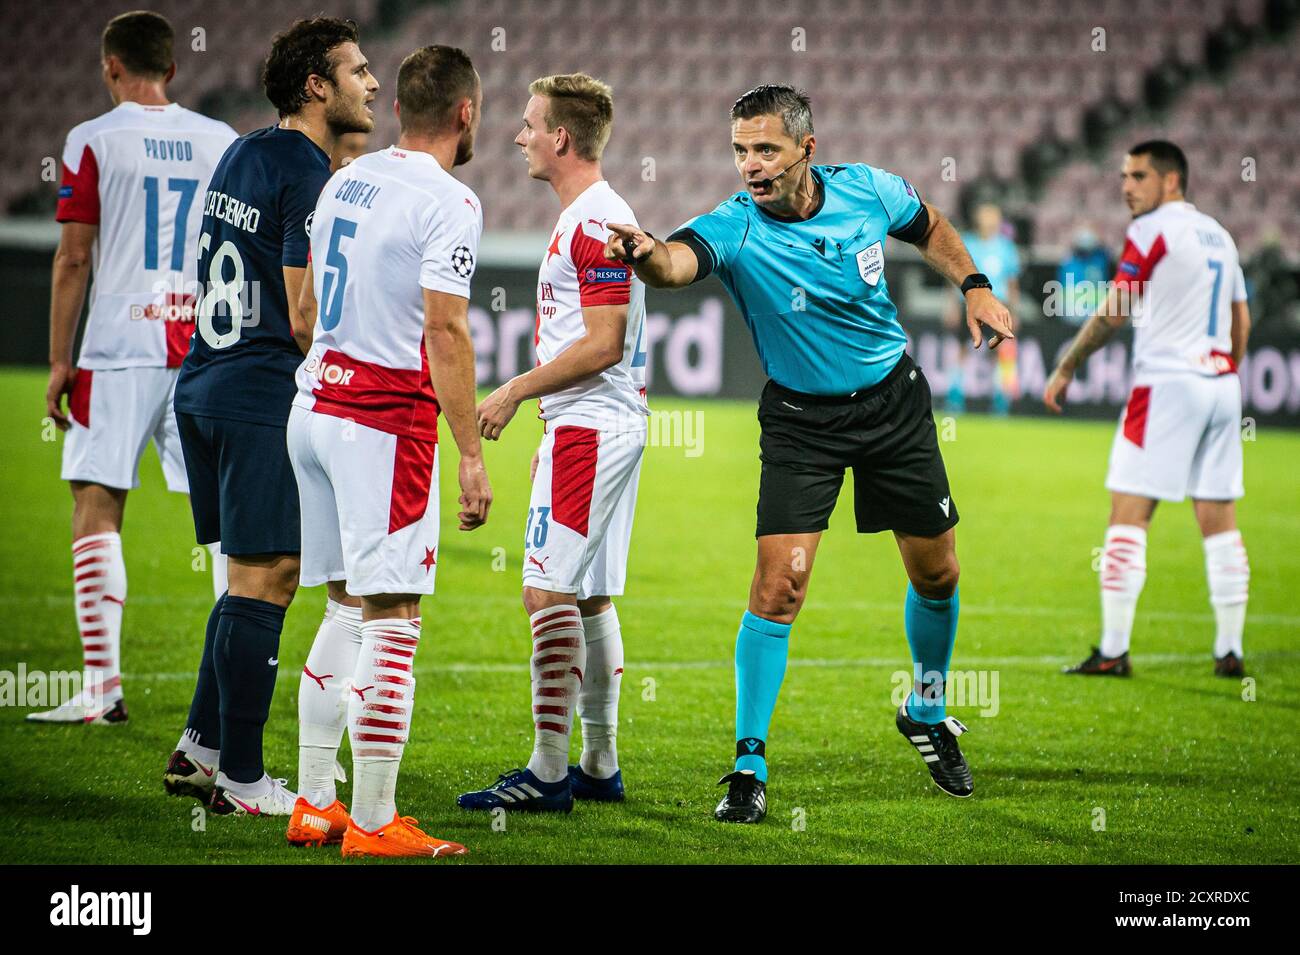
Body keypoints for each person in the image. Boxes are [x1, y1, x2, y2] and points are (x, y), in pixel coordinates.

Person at [605, 85, 1014, 822]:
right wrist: (643, 254)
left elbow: (932, 228)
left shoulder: (868, 191)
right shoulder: (734, 228)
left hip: (893, 403)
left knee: (938, 568)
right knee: (780, 587)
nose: (751, 166)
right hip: (801, 423)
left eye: (765, 149)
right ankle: (748, 762)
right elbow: (674, 265)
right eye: (740, 150)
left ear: (807, 149)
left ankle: (926, 707)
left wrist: (975, 285)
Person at [162, 16, 378, 816]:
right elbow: (300, 313)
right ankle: (244, 780)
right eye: (357, 70)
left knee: (243, 577)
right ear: (317, 86)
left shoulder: (244, 151)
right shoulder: (309, 174)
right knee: (271, 579)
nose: (373, 83)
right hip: (258, 393)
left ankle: (202, 744)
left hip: (205, 383)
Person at [284, 45, 489, 858]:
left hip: (314, 405)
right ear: (466, 113)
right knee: (394, 618)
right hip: (381, 421)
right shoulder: (452, 201)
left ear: (400, 108)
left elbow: (302, 309)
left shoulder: (345, 177)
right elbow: (445, 327)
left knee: (341, 606)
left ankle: (312, 800)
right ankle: (373, 821)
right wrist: (469, 451)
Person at [31, 10, 235, 725]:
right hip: (205, 346)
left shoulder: (91, 140)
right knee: (221, 524)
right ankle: (230, 689)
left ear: (109, 66)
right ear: (173, 69)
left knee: (97, 504)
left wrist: (60, 358)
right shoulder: (221, 142)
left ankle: (102, 686)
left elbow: (73, 257)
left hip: (117, 344)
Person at [458, 73, 646, 813]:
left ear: (561, 137)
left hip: (590, 426)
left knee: (547, 590)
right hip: (594, 425)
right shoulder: (591, 216)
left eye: (530, 124)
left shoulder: (597, 221)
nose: (519, 136)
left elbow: (604, 343)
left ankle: (546, 769)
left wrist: (513, 388)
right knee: (590, 594)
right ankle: (598, 762)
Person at [1045, 141, 1251, 678]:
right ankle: (1229, 648)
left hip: (1167, 384)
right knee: (1220, 519)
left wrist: (1067, 365)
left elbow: (1116, 309)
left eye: (1139, 176)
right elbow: (1241, 320)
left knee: (1127, 515)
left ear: (1172, 181)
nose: (1127, 186)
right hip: (1221, 385)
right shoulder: (1220, 235)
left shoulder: (1151, 229)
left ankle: (1113, 649)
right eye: (1123, 176)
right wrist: (1224, 371)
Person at [943, 202, 1021, 414]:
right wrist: (950, 305)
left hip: (997, 304)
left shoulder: (1006, 248)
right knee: (962, 348)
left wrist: (1014, 311)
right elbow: (954, 277)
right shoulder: (967, 243)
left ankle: (1000, 398)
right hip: (967, 303)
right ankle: (955, 394)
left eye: (992, 218)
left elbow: (1012, 282)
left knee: (1001, 350)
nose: (989, 222)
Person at [1056, 224, 1111, 326]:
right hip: (1071, 310)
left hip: (1096, 310)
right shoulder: (1068, 261)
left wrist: (1098, 239)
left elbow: (1107, 251)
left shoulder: (1100, 260)